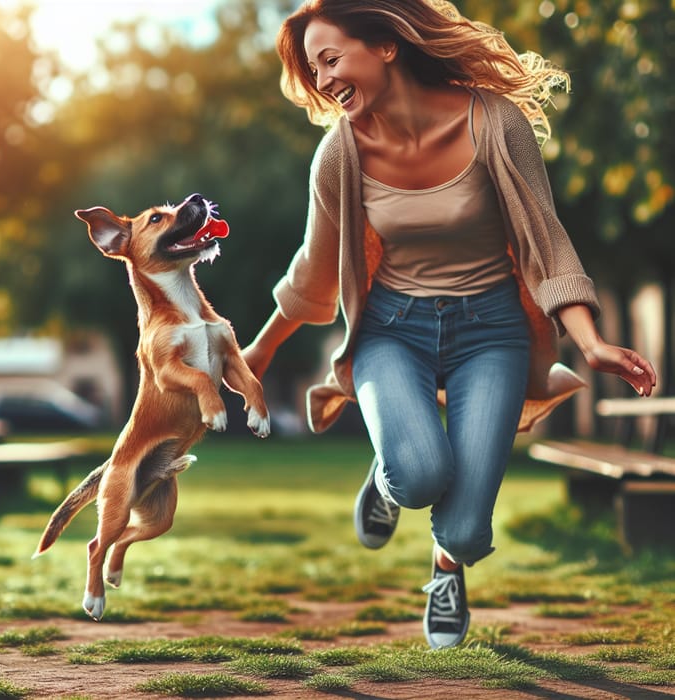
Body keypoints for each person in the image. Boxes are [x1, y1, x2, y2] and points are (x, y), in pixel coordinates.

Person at [242, 0, 656, 650]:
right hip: (390, 332)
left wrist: (592, 341)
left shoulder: (493, 123)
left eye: (330, 59)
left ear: (385, 46)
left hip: (490, 332)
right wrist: (258, 354)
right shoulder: (339, 156)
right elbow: (313, 271)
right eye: (314, 69)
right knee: (417, 473)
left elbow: (546, 243)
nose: (322, 81)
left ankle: (444, 569)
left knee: (463, 530)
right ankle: (387, 478)